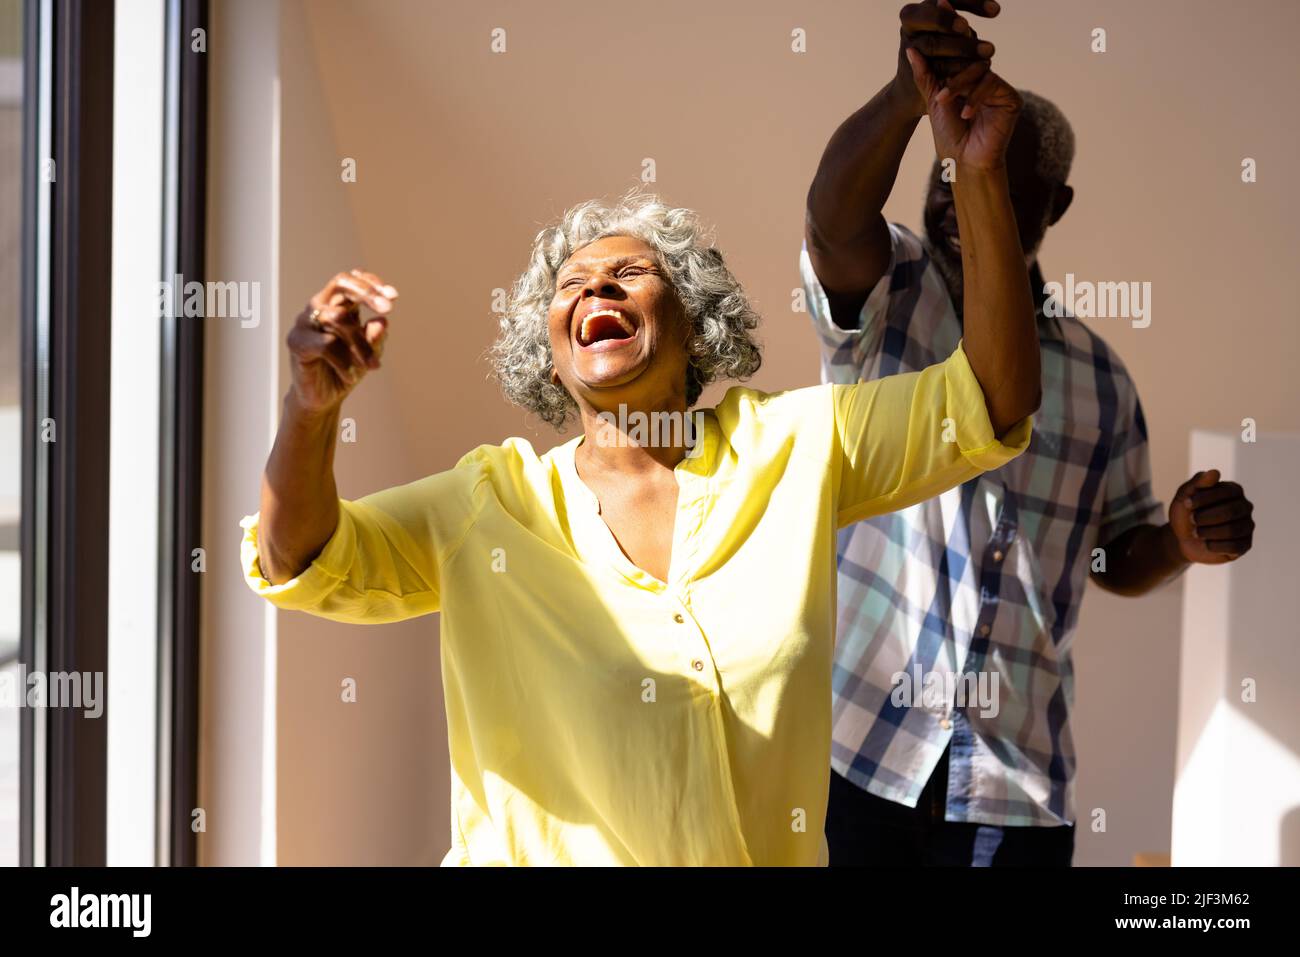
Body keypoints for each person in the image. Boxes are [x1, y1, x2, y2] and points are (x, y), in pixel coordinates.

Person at [240, 51, 1037, 865]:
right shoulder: (490, 501)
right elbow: (300, 558)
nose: (596, 290)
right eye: (572, 285)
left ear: (693, 324)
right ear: (549, 355)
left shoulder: (798, 446)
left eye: (629, 274)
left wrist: (976, 173)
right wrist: (310, 409)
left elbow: (992, 399)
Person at [801, 0, 1255, 866]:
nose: (962, 191)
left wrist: (1176, 541)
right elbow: (830, 220)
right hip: (861, 754)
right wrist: (908, 94)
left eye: (1001, 180)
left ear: (1056, 204)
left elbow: (1113, 555)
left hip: (1018, 788)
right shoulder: (894, 291)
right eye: (953, 170)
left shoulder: (1100, 379)